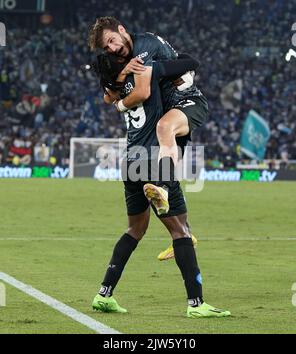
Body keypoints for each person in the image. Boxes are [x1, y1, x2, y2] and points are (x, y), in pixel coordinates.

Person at [89, 17, 230, 318]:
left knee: (135, 230)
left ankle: (104, 293)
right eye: (109, 48)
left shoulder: (120, 80)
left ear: (122, 31)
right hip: (152, 160)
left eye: (113, 42)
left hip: (131, 161)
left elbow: (109, 94)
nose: (114, 49)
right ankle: (197, 304)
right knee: (181, 233)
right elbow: (144, 91)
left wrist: (116, 91)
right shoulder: (142, 66)